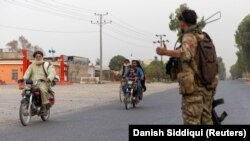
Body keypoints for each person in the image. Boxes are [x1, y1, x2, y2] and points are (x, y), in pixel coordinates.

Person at [156, 9, 216, 125]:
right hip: (207, 90)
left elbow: (186, 53)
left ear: (183, 22)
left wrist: (165, 52)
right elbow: (213, 63)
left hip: (194, 91)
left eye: (180, 22)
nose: (179, 24)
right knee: (207, 122)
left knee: (191, 122)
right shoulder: (203, 37)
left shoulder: (189, 36)